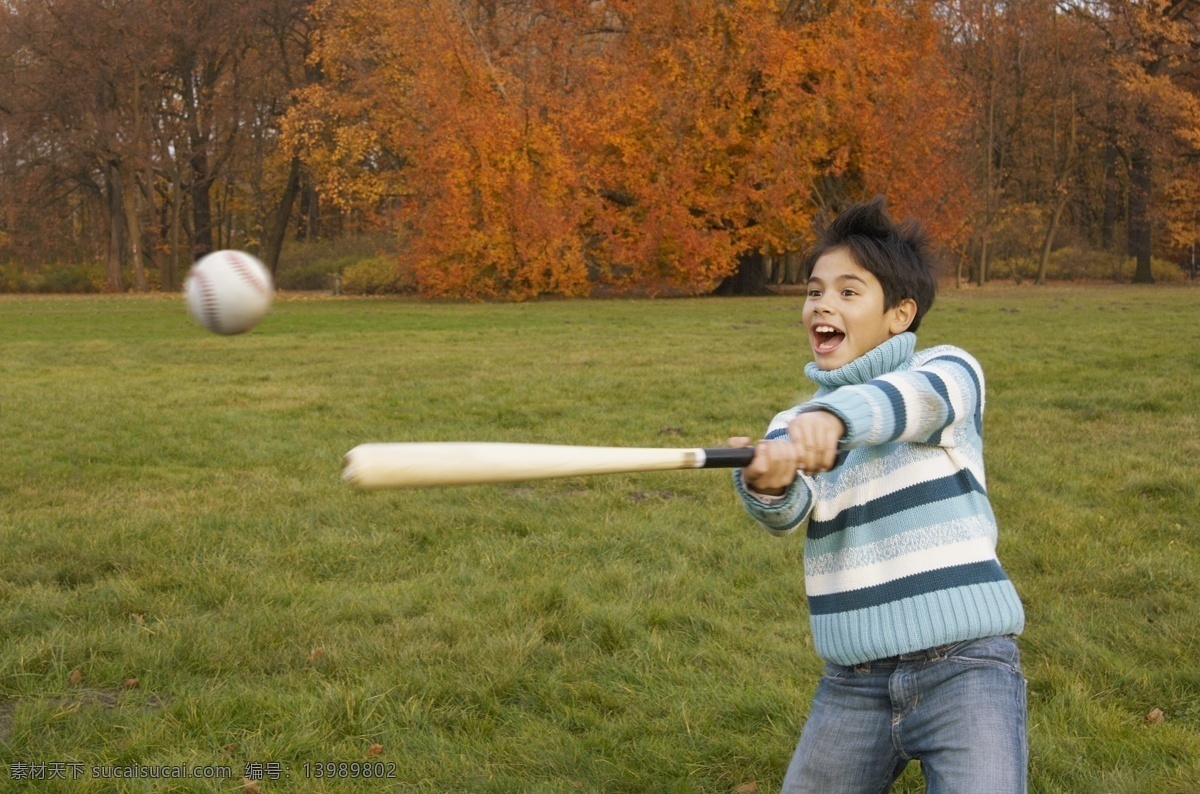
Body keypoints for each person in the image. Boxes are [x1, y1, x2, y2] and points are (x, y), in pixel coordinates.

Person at [729, 197, 1027, 793]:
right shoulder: (794, 423)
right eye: (814, 291)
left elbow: (907, 403)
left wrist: (836, 422)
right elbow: (788, 513)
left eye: (847, 291)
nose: (822, 305)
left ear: (900, 314)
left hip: (966, 665)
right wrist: (766, 480)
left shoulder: (947, 371)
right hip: (853, 680)